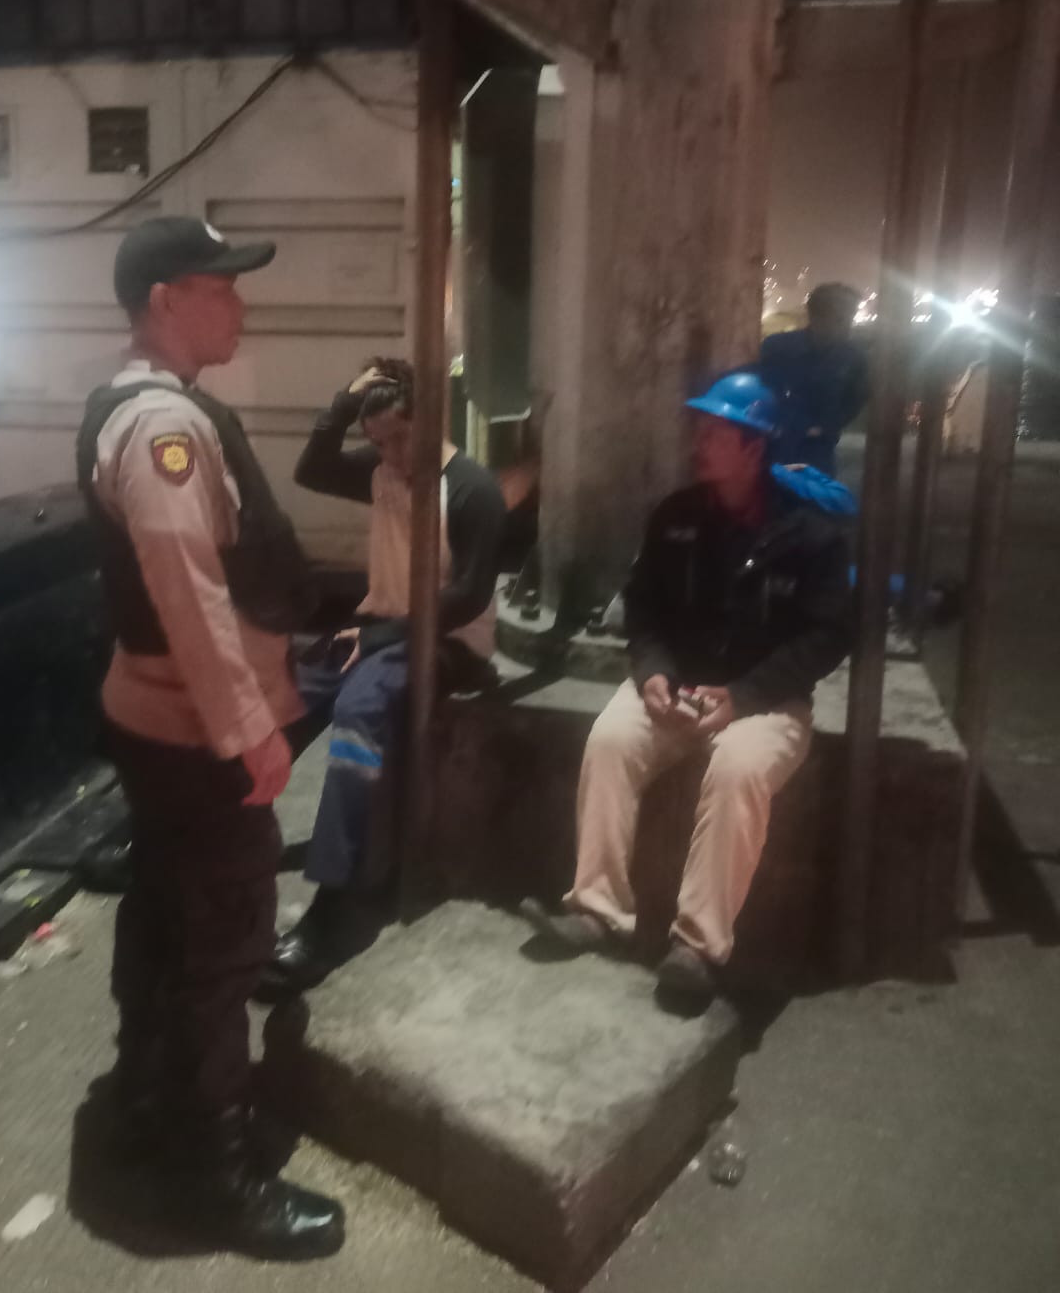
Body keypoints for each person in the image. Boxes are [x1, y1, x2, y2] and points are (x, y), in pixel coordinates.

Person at [75, 215, 344, 1259]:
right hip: (195, 734)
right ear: (163, 302)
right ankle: (212, 1176)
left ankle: (149, 1096)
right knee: (224, 946)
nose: (239, 303)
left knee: (167, 917)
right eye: (218, 285)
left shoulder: (148, 405)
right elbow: (185, 590)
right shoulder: (161, 429)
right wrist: (248, 734)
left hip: (161, 725)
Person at [523, 373, 853, 1013]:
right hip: (678, 688)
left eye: (713, 433)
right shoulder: (677, 516)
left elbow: (830, 636)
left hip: (767, 701)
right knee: (611, 739)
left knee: (737, 770)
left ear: (753, 447)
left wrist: (744, 696)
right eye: (699, 430)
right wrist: (652, 672)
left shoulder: (810, 534)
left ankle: (698, 947)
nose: (697, 444)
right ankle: (596, 910)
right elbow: (643, 608)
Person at [266, 358, 507, 988]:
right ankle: (226, 830)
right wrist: (343, 404)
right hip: (382, 629)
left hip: (448, 641)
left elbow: (470, 596)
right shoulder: (383, 473)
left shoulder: (472, 488)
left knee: (359, 712)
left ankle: (335, 903)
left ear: (431, 420)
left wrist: (379, 636)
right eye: (378, 443)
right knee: (284, 693)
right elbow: (311, 468)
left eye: (400, 438)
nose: (392, 456)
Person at [759, 282, 868, 475]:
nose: (848, 326)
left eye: (850, 317)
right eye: (840, 319)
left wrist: (827, 426)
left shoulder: (853, 357)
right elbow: (759, 388)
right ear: (816, 316)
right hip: (773, 447)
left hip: (819, 451)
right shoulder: (777, 348)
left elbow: (857, 398)